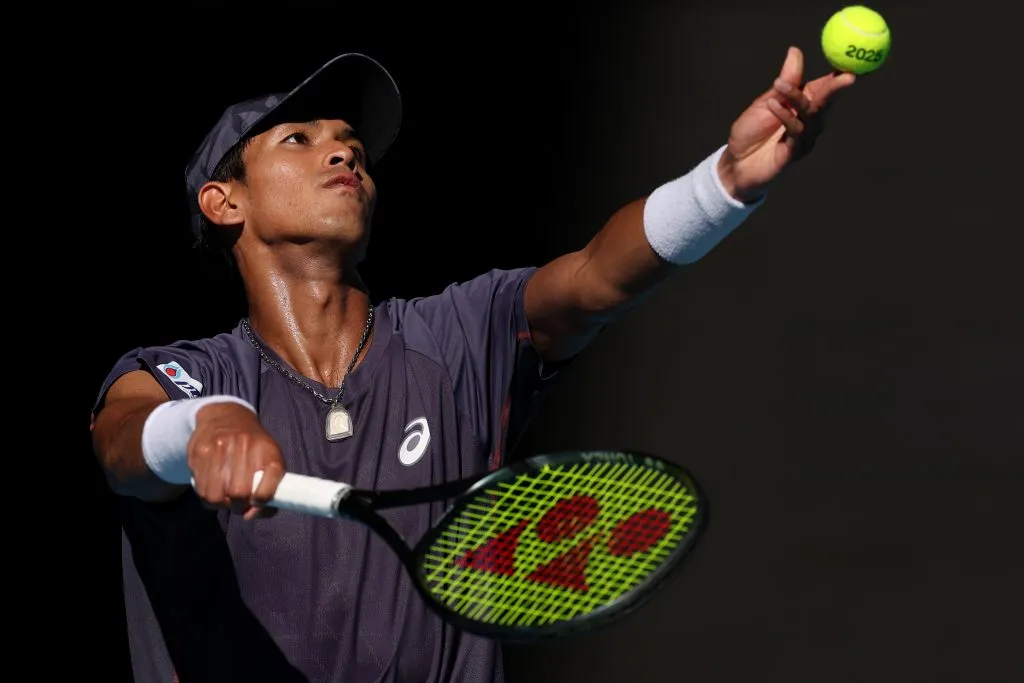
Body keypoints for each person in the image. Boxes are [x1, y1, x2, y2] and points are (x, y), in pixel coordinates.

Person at [90, 47, 854, 683]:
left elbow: (596, 275)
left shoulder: (462, 334)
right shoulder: (182, 376)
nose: (344, 148)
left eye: (350, 139)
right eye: (299, 138)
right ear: (226, 203)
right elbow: (123, 439)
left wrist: (722, 182)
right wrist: (201, 424)